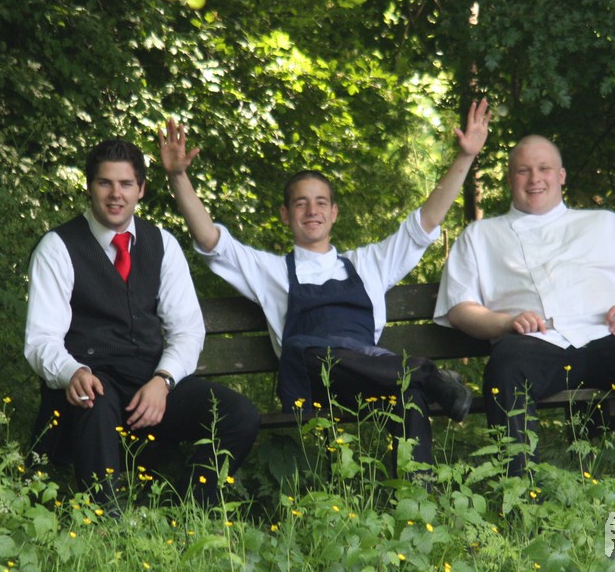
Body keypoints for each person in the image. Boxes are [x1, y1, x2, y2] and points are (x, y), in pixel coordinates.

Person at [158, 101, 491, 474]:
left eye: (320, 203)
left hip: (370, 381)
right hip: (313, 384)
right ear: (286, 215)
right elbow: (211, 241)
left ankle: (420, 489)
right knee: (311, 351)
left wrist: (466, 156)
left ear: (333, 213)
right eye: (301, 204)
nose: (312, 211)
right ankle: (427, 374)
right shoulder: (271, 271)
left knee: (408, 394)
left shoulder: (369, 264)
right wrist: (178, 177)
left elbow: (425, 224)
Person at [434, 135, 615, 530]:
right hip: (536, 342)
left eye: (544, 169)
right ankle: (524, 503)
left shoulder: (605, 224)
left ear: (562, 175)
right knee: (505, 366)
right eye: (523, 170)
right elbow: (460, 308)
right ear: (510, 179)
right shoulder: (480, 236)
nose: (535, 178)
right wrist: (505, 323)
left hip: (610, 337)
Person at [24, 138, 260, 511]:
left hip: (149, 383)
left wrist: (163, 381)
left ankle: (189, 513)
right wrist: (72, 372)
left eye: (126, 184)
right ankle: (104, 521)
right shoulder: (57, 247)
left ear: (141, 189)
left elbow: (187, 330)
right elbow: (41, 339)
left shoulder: (162, 244)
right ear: (89, 186)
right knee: (93, 401)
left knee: (239, 415)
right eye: (105, 183)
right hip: (92, 382)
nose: (115, 194)